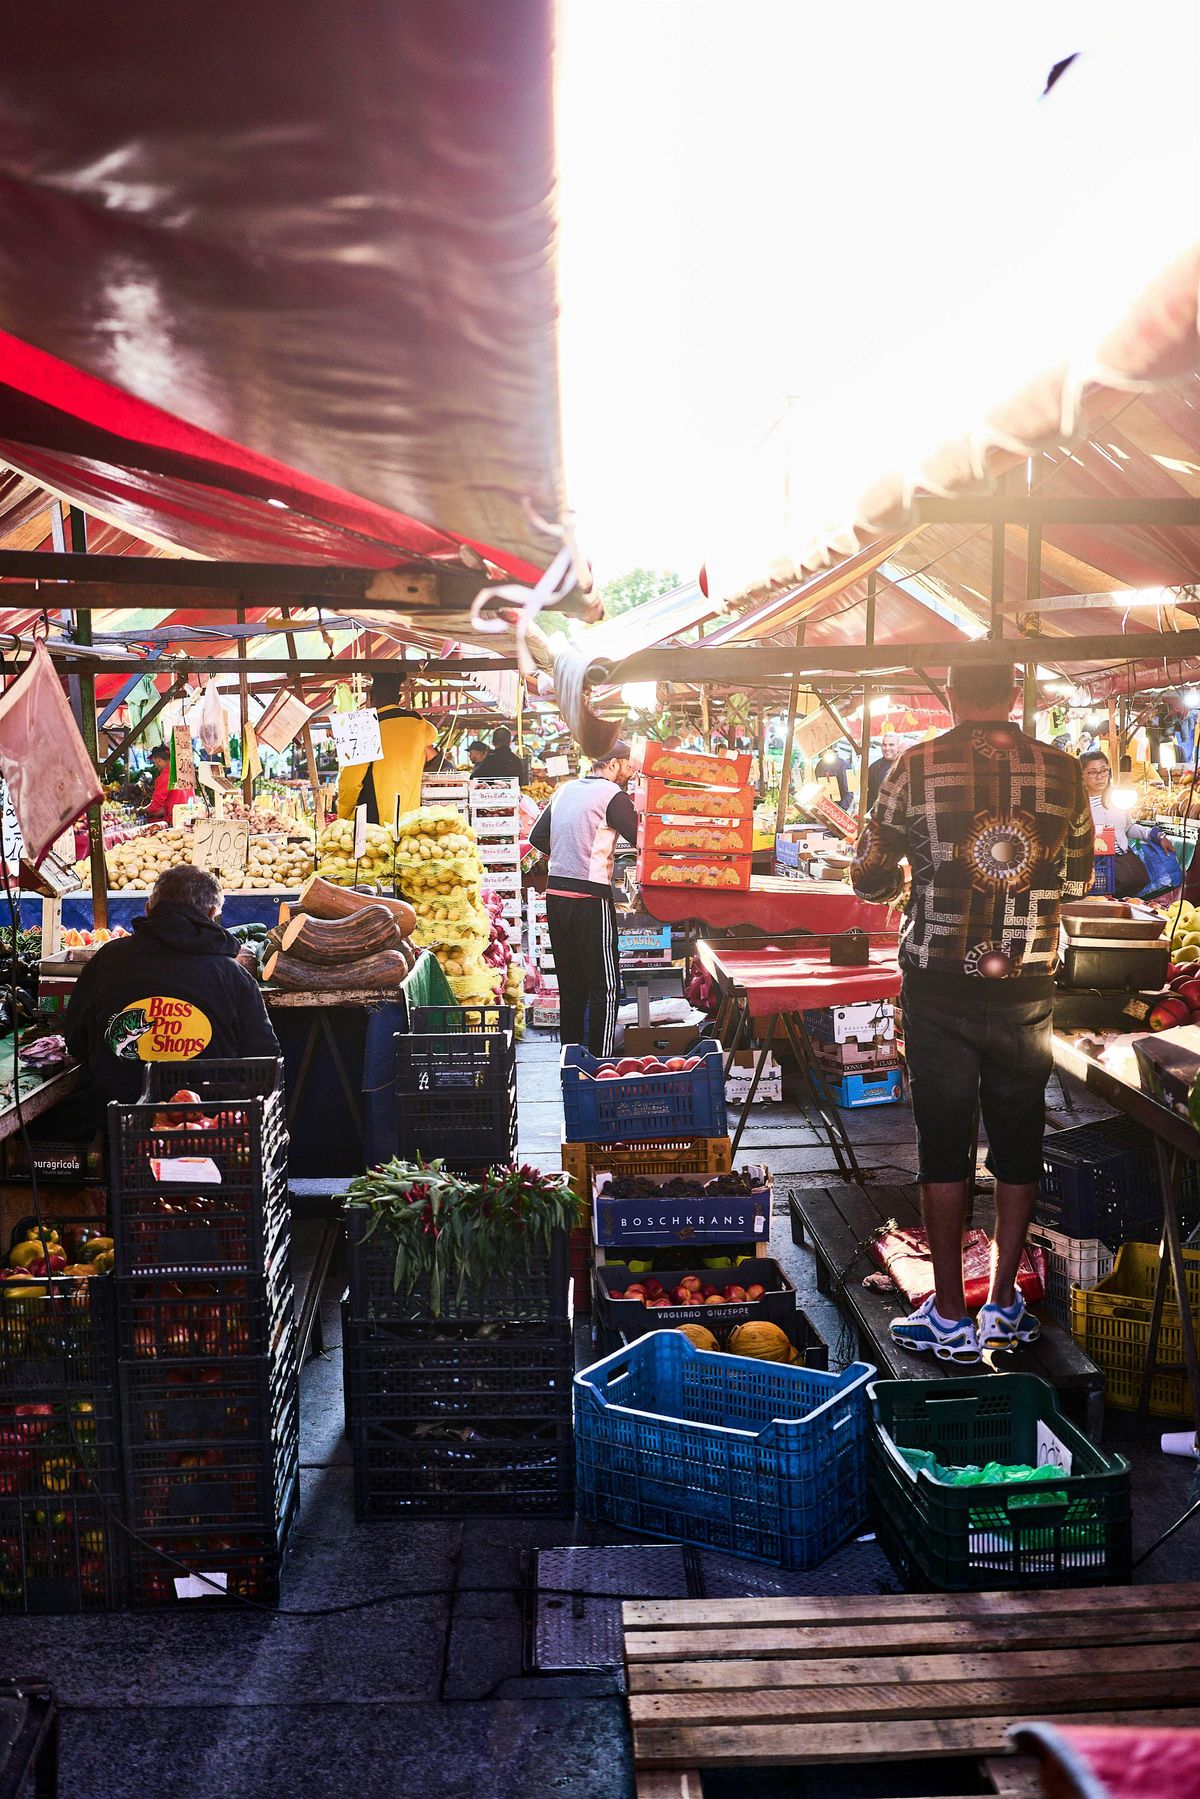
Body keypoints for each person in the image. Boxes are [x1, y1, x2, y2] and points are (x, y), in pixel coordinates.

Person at [851, 661, 1093, 1362]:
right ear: (1014, 695)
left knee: (943, 1140)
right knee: (1019, 1137)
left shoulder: (914, 765)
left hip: (938, 984)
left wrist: (908, 871)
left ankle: (952, 1311)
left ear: (953, 693)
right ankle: (1007, 1307)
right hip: (1026, 983)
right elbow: (1076, 877)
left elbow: (868, 873)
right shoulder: (1067, 772)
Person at [64, 865, 280, 1107]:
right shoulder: (234, 975)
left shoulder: (107, 960)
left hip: (123, 1121)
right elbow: (264, 1058)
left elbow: (75, 1039)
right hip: (214, 1125)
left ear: (148, 907)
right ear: (211, 914)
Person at [528, 742, 638, 1053]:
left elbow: (537, 836)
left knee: (571, 985)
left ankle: (571, 1055)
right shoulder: (612, 796)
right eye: (628, 765)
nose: (630, 772)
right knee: (604, 986)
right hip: (589, 898)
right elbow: (640, 837)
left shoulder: (564, 789)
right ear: (614, 764)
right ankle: (601, 1060)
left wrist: (567, 853)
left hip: (556, 896)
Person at [337, 673, 435, 824]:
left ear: (370, 695)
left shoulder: (364, 726)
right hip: (409, 820)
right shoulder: (418, 723)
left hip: (373, 822)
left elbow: (350, 782)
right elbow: (433, 734)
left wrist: (343, 815)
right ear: (399, 698)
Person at [865, 731, 902, 808]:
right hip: (880, 814)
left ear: (898, 746)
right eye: (884, 745)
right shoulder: (874, 768)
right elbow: (870, 795)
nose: (887, 748)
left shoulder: (904, 765)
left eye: (891, 745)